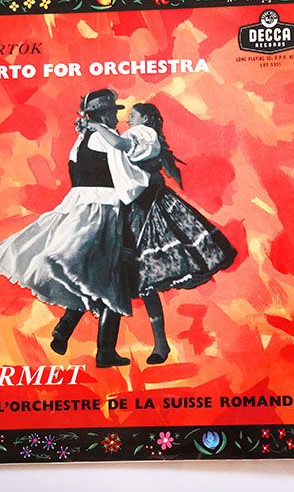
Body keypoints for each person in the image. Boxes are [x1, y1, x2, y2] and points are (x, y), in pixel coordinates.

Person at [0, 89, 152, 367]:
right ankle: (104, 350)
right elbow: (126, 170)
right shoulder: (104, 137)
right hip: (102, 211)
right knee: (109, 279)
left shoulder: (82, 139)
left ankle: (65, 330)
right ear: (102, 116)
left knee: (90, 276)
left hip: (81, 208)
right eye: (112, 113)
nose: (116, 117)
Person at [85, 102, 237, 364]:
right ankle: (157, 344)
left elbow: (119, 145)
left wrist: (94, 125)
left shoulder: (144, 133)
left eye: (133, 114)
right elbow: (114, 153)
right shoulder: (134, 134)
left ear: (146, 118)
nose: (128, 118)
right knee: (141, 278)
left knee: (146, 275)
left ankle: (157, 344)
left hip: (150, 207)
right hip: (135, 207)